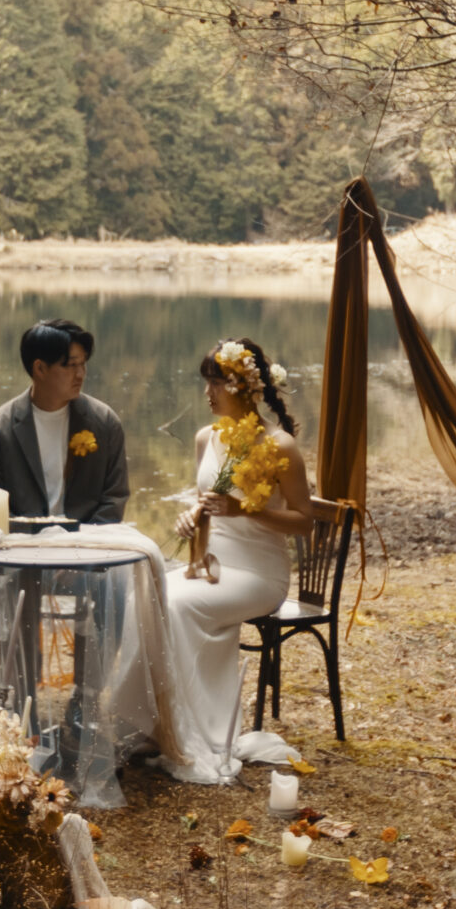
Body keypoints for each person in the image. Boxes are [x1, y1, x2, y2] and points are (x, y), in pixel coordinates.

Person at [161, 336, 324, 784]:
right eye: (206, 383)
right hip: (212, 563)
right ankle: (163, 726)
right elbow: (208, 501)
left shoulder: (280, 446)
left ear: (243, 386)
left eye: (216, 383)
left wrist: (249, 509)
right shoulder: (205, 438)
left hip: (258, 573)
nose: (207, 393)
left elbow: (305, 521)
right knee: (155, 592)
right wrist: (193, 517)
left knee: (179, 604)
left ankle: (206, 731)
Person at [0, 318, 130, 528]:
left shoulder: (104, 423)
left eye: (83, 364)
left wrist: (83, 543)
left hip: (90, 548)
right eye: (71, 365)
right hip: (21, 550)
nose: (81, 374)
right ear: (40, 369)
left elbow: (114, 499)